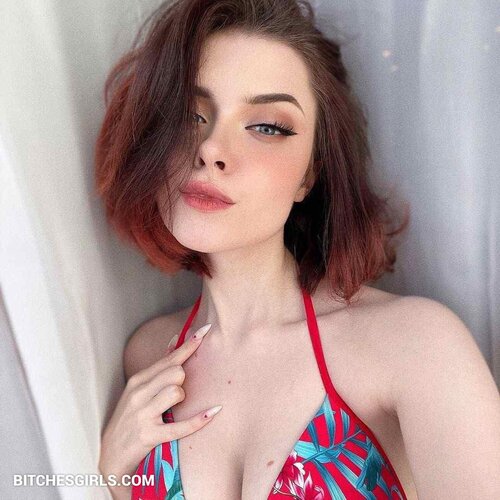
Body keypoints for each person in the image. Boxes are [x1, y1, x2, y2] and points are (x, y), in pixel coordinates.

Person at [94, 0, 500, 499]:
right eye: (190, 115)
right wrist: (112, 479)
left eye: (267, 126)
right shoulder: (148, 356)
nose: (211, 148)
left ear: (310, 174)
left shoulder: (416, 346)